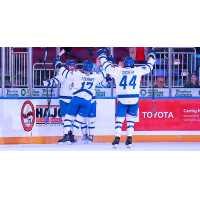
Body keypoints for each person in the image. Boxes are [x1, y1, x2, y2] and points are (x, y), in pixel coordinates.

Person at [98, 48, 156, 148]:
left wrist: (102, 57)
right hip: (134, 99)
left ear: (124, 64)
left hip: (122, 98)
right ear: (133, 63)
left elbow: (107, 68)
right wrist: (152, 58)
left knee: (119, 119)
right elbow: (148, 68)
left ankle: (117, 138)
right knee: (130, 119)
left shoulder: (118, 71)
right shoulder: (137, 70)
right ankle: (129, 138)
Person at [52, 59, 106, 144]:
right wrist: (108, 63)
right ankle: (72, 136)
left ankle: (66, 135)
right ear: (91, 68)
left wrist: (58, 65)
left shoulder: (77, 74)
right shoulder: (95, 76)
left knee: (68, 117)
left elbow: (66, 73)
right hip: (87, 100)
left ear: (83, 67)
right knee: (79, 119)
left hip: (76, 98)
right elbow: (105, 74)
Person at [80, 55, 114, 143]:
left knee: (89, 119)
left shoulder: (80, 74)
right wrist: (100, 67)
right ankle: (86, 136)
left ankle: (89, 136)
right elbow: (98, 78)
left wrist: (106, 79)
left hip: (88, 98)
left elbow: (101, 83)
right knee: (85, 118)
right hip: (86, 98)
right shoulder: (87, 74)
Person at [43, 60, 76, 144]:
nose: (72, 67)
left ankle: (70, 135)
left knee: (72, 119)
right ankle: (66, 135)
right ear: (67, 66)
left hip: (73, 99)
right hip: (64, 99)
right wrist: (49, 82)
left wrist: (58, 65)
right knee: (65, 118)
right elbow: (56, 80)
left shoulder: (76, 74)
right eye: (70, 66)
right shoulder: (63, 74)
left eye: (73, 66)